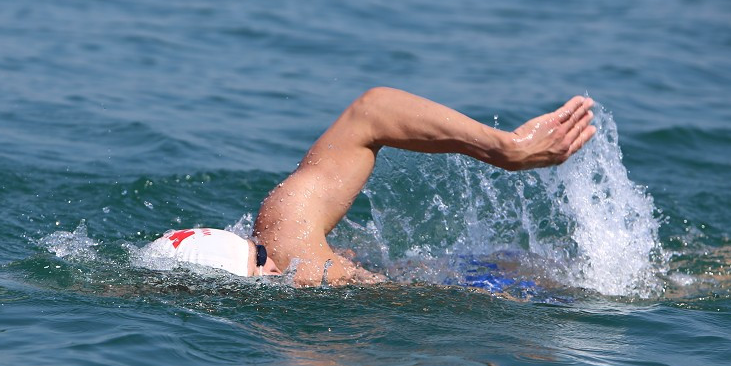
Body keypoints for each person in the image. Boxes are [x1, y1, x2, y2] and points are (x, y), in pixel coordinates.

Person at [143, 87, 596, 287]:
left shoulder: (285, 238)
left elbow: (372, 112)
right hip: (465, 275)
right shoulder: (279, 235)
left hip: (492, 281)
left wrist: (506, 148)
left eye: (261, 257)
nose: (270, 267)